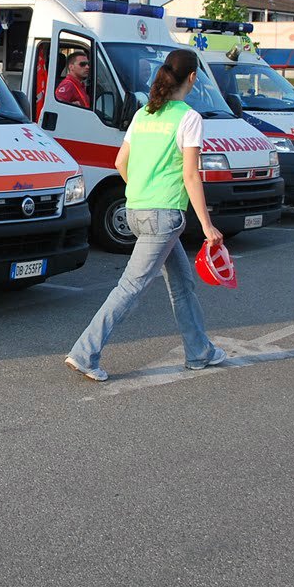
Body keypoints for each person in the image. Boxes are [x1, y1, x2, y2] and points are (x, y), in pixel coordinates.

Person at [64, 48, 229, 381]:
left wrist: (141, 189)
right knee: (129, 288)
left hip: (137, 211)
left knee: (182, 284)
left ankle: (199, 351)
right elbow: (191, 175)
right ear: (193, 79)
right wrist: (208, 226)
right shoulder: (189, 118)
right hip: (163, 217)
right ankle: (85, 353)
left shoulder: (143, 115)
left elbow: (119, 163)